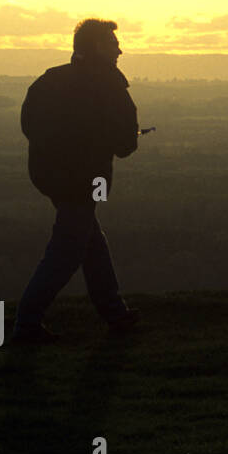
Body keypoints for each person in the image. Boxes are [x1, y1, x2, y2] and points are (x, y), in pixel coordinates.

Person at [13, 18, 141, 343]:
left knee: (91, 243)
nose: (120, 50)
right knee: (66, 252)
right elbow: (126, 145)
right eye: (114, 44)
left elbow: (29, 125)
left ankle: (115, 313)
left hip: (51, 179)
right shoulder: (109, 85)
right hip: (84, 182)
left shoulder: (50, 80)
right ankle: (26, 324)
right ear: (98, 47)